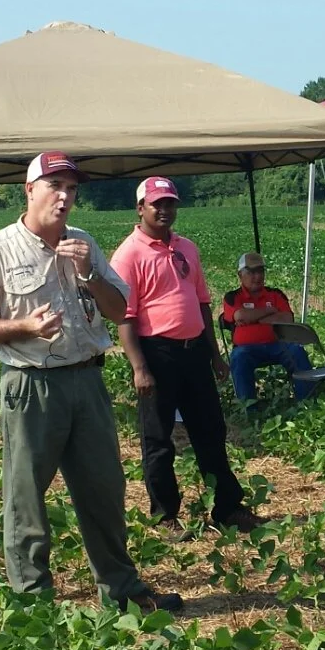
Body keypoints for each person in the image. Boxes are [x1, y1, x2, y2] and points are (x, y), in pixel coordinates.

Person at [0, 151, 182, 614]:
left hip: (87, 381)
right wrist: (23, 327)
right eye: (54, 185)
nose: (64, 196)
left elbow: (120, 310)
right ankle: (33, 604)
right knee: (26, 497)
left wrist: (90, 274)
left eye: (71, 188)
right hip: (30, 386)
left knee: (104, 489)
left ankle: (122, 591)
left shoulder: (84, 243)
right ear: (29, 190)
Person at [110, 177, 258, 539]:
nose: (164, 210)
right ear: (140, 208)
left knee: (211, 431)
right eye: (156, 204)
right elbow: (124, 317)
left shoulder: (187, 248)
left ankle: (227, 507)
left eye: (170, 203)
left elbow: (202, 303)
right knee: (158, 439)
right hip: (157, 353)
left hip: (194, 352)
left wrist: (215, 355)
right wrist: (139, 368)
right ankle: (164, 515)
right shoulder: (128, 254)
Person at [222, 252, 316, 408]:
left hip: (278, 344)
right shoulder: (233, 297)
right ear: (240, 275)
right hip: (247, 349)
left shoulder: (275, 294)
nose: (257, 276)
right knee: (238, 357)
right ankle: (248, 409)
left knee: (297, 351)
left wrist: (253, 318)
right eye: (252, 272)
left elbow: (287, 319)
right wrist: (270, 311)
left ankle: (307, 404)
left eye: (260, 271)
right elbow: (240, 315)